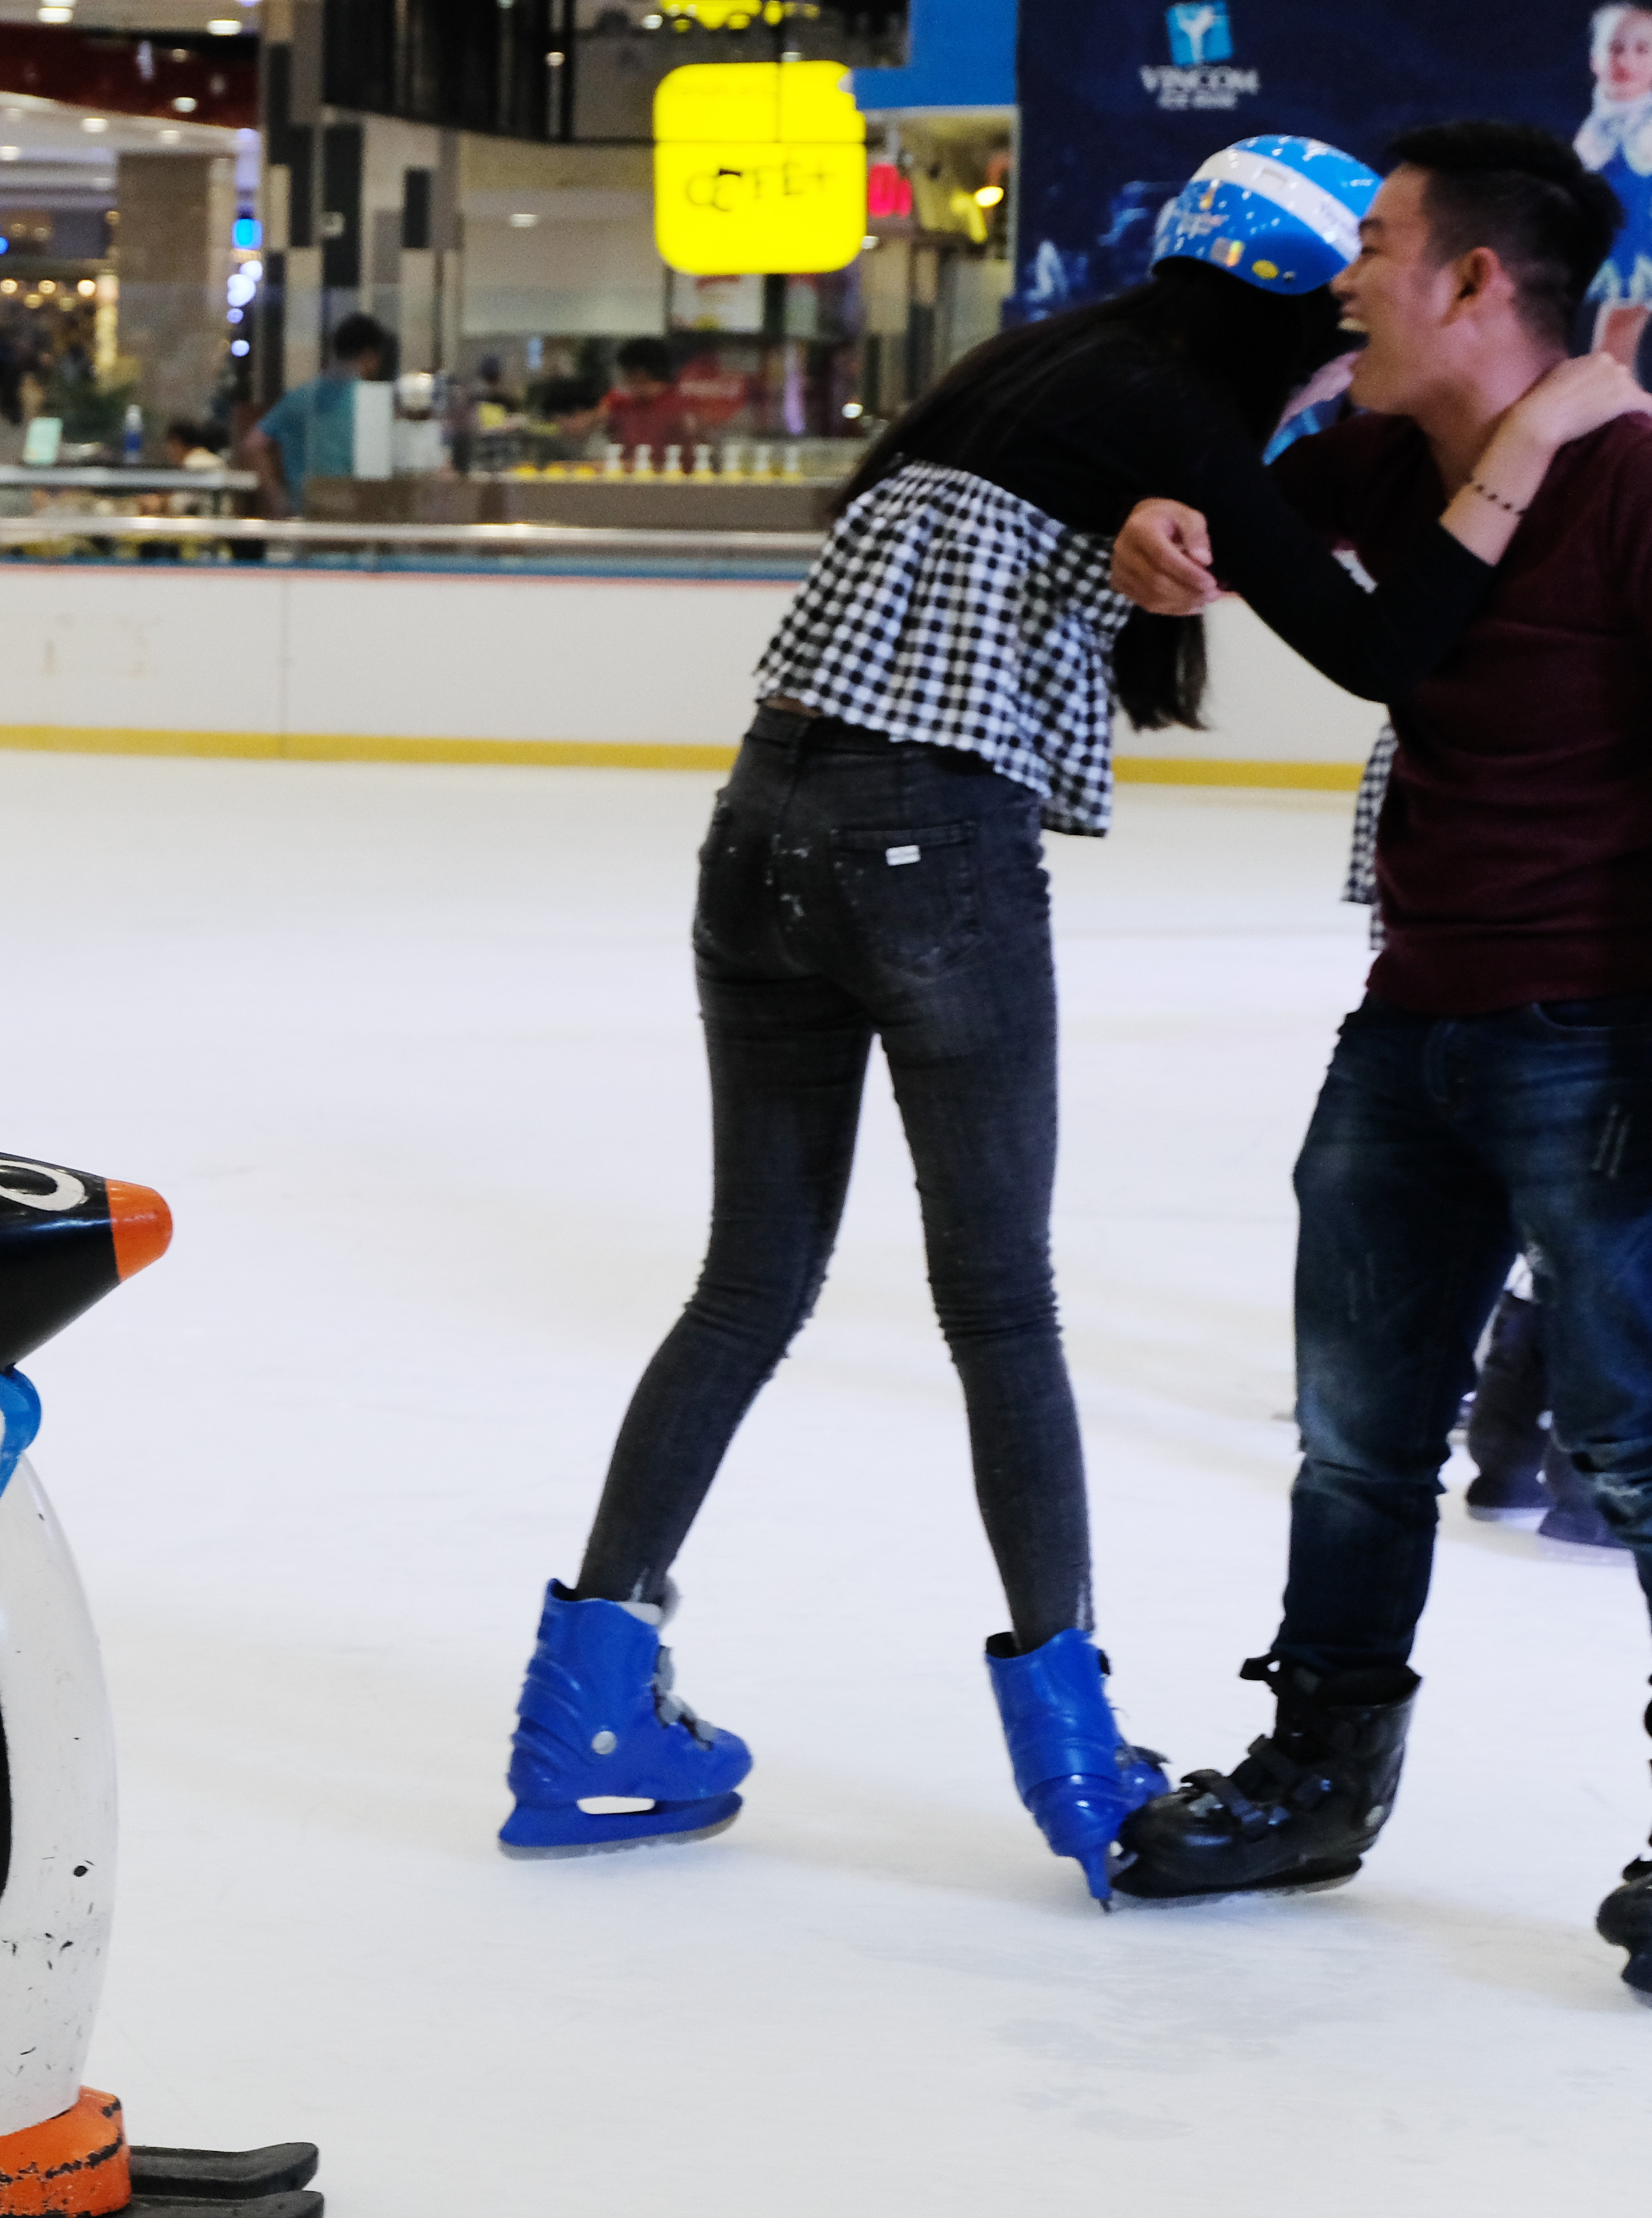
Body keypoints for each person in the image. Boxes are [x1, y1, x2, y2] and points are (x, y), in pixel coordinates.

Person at [493, 133, 1645, 1901]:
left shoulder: (1054, 378)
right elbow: (1377, 638)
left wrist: (1552, 428)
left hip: (764, 839)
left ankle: (576, 1707)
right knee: (1087, 1341)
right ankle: (1100, 1756)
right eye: (1331, 262)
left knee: (746, 1282)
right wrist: (1528, 432)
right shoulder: (1227, 425)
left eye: (1380, 253)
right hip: (1004, 879)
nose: (1347, 290)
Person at [1100, 127, 1652, 1960]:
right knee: (1353, 1442)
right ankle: (1314, 1773)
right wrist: (1156, 527)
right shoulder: (1384, 455)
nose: (1343, 277)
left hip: (1587, 1029)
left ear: (1473, 282)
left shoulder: (1637, 478)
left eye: (1380, 244)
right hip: (1403, 1022)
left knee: (1639, 1447)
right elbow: (1254, 529)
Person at [244, 311, 389, 513]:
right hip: (355, 509)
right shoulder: (371, 401)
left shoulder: (303, 396)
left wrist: (277, 497)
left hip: (306, 509)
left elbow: (254, 444)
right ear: (370, 355)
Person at [1580, 4, 1652, 372]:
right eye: (1615, 48)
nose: (1626, 59)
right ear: (1595, 59)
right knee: (1611, 356)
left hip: (1645, 254)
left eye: (1643, 50)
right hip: (1628, 254)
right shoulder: (1599, 125)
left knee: (1610, 356)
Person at [593, 337, 694, 459]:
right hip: (629, 473)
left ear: (641, 374)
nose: (627, 381)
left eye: (629, 376)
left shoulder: (680, 408)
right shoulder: (620, 404)